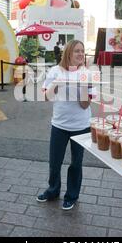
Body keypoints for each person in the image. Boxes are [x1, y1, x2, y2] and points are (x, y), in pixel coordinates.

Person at [37, 40, 93, 210]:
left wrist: (82, 86)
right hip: (59, 125)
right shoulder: (54, 71)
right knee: (55, 162)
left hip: (81, 126)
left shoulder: (87, 74)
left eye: (82, 51)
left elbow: (85, 105)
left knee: (76, 163)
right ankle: (53, 191)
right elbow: (46, 97)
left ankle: (72, 196)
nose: (81, 54)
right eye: (77, 51)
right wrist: (59, 80)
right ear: (68, 52)